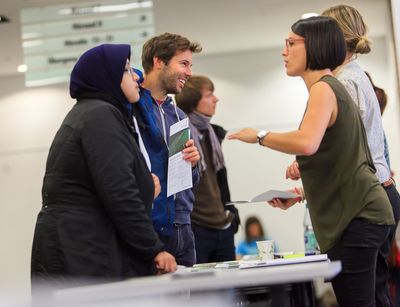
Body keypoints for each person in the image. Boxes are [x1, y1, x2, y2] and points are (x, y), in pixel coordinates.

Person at [228, 16, 395, 306]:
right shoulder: (328, 87)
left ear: (314, 46)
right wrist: (304, 193)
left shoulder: (324, 88)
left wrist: (260, 135)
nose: (284, 51)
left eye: (291, 43)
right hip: (360, 212)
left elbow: (306, 142)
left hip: (359, 215)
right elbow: (340, 160)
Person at [31, 44, 177, 289]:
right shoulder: (100, 116)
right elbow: (119, 191)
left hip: (82, 245)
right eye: (126, 70)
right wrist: (154, 249)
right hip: (81, 251)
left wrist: (144, 188)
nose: (135, 77)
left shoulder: (99, 113)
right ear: (106, 77)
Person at [134, 33, 202, 267]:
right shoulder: (133, 111)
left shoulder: (178, 115)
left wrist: (193, 164)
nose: (189, 73)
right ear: (158, 62)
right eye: (183, 64)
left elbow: (188, 180)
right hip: (151, 227)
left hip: (183, 228)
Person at [175, 75, 240, 264]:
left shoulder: (213, 133)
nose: (216, 99)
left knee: (229, 292)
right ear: (193, 100)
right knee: (200, 292)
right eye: (209, 95)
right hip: (197, 228)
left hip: (223, 225)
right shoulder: (179, 133)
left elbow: (220, 178)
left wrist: (230, 211)